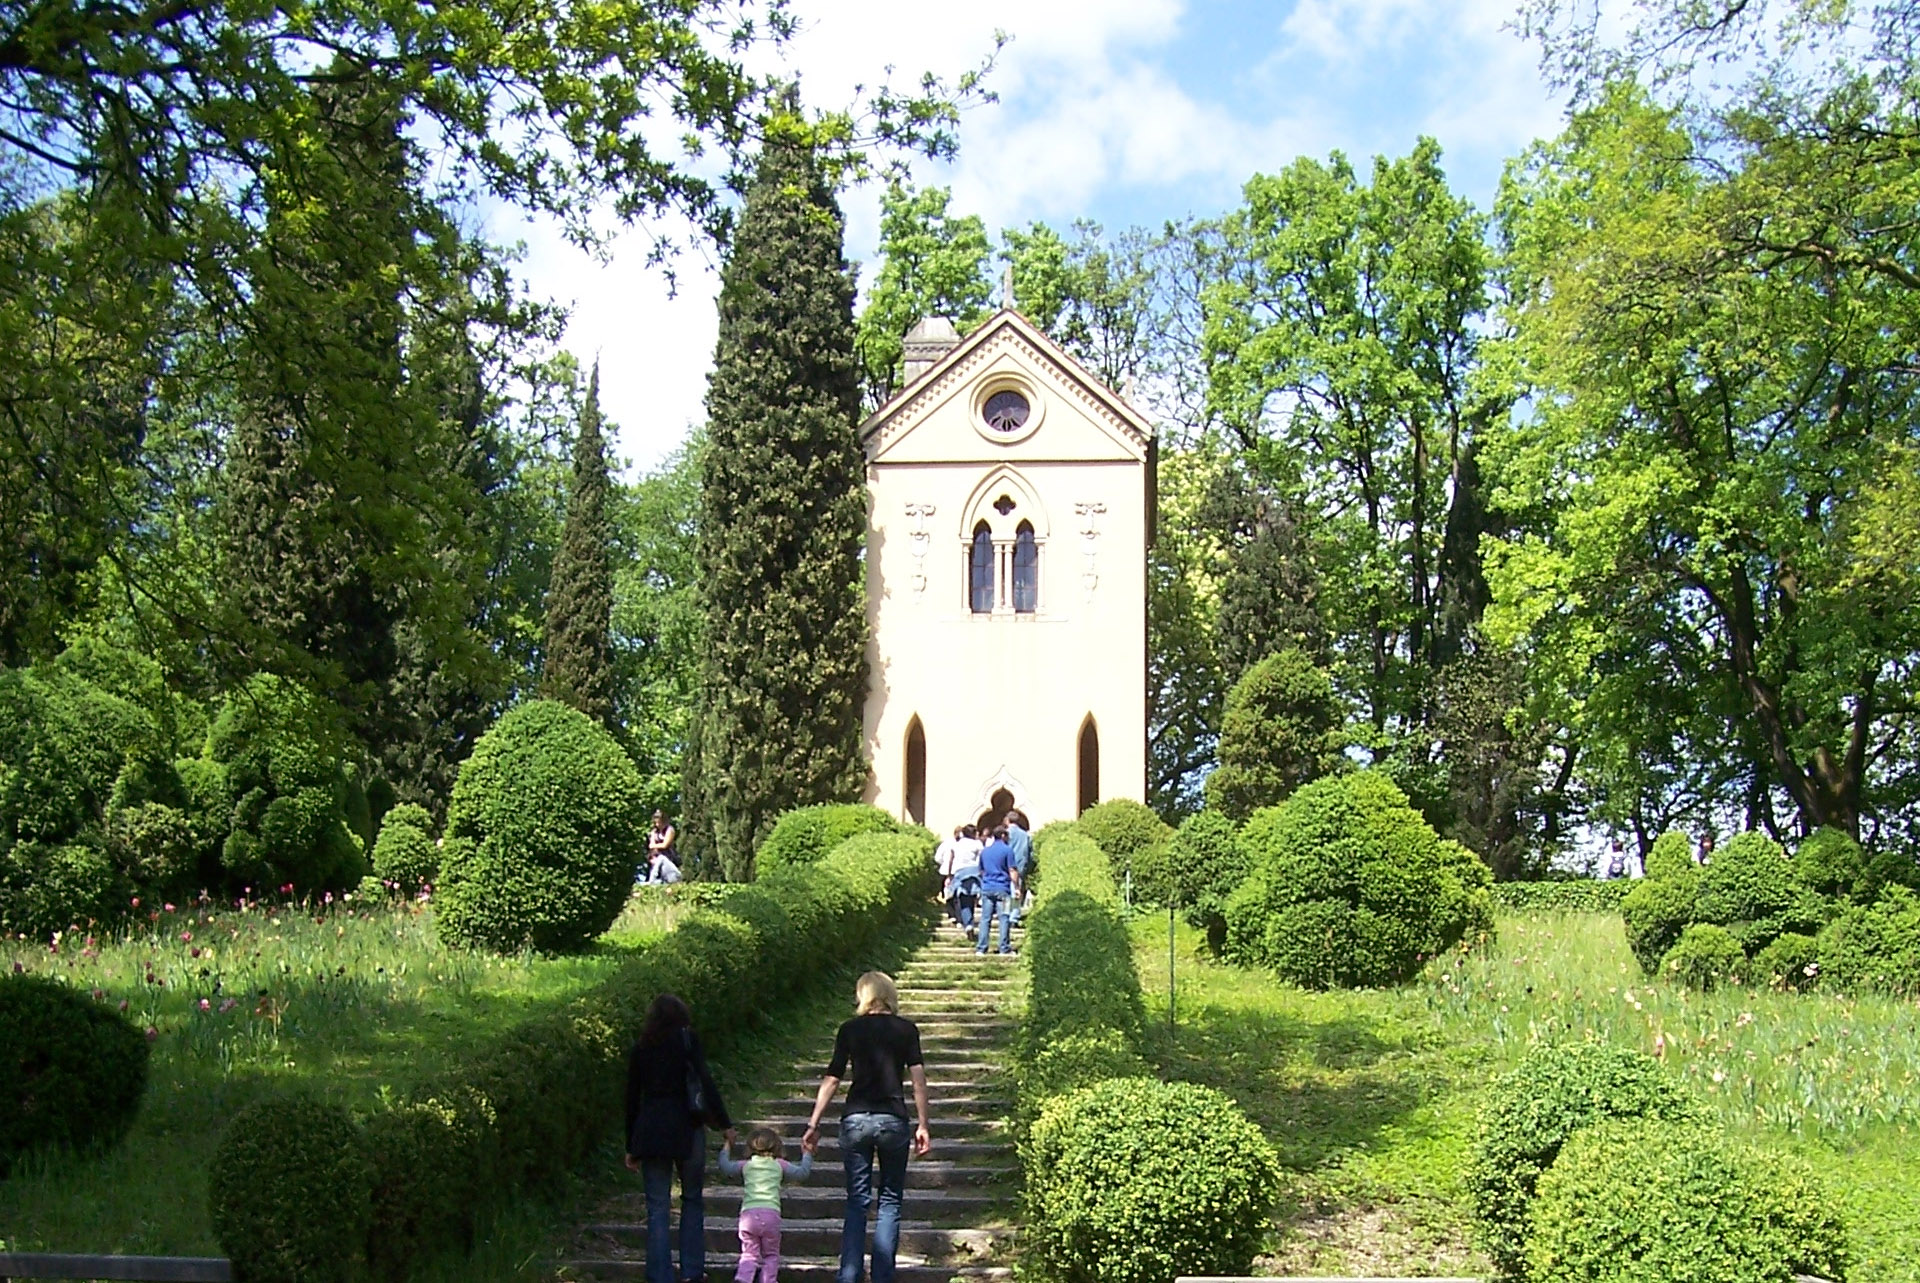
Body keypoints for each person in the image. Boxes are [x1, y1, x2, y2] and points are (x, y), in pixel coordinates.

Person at [802, 973, 932, 1283]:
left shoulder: (849, 1030)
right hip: (893, 1119)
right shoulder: (906, 1030)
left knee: (857, 1200)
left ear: (863, 995)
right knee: (890, 1200)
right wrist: (924, 1123)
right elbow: (918, 1079)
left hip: (856, 1118)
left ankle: (849, 1274)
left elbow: (833, 1078)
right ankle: (883, 1276)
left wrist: (813, 1123)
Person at [626, 993, 734, 1283]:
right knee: (692, 1199)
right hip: (687, 1125)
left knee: (658, 1206)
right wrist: (724, 1123)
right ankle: (692, 1271)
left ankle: (660, 1274)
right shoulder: (687, 1042)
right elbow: (704, 1080)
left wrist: (630, 1145)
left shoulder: (641, 1047)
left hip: (651, 1129)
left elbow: (631, 1098)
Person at [716, 1126, 813, 1283]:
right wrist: (807, 1154)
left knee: (749, 1253)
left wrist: (727, 1145)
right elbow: (802, 1173)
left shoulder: (746, 1165)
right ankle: (768, 1280)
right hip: (771, 1215)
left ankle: (743, 1278)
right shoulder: (780, 1164)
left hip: (748, 1216)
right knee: (771, 1254)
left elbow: (725, 1167)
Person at [975, 826, 1019, 956]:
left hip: (987, 888)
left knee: (985, 919)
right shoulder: (1008, 851)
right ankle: (1004, 947)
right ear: (1004, 836)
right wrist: (1016, 887)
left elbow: (981, 870)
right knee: (1004, 917)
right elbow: (1012, 870)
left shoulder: (985, 851)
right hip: (1003, 889)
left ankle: (981, 948)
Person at [948, 825, 983, 933]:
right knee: (972, 898)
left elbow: (951, 859)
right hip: (974, 871)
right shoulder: (977, 844)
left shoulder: (957, 844)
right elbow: (981, 858)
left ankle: (967, 923)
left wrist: (949, 875)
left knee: (962, 898)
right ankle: (969, 921)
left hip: (960, 872)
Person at [1004, 811, 1033, 926]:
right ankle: (1014, 917)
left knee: (1006, 892)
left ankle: (1006, 915)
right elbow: (1030, 852)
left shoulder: (1005, 833)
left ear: (1008, 820)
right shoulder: (1025, 835)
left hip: (1006, 866)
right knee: (1017, 891)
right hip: (1020, 865)